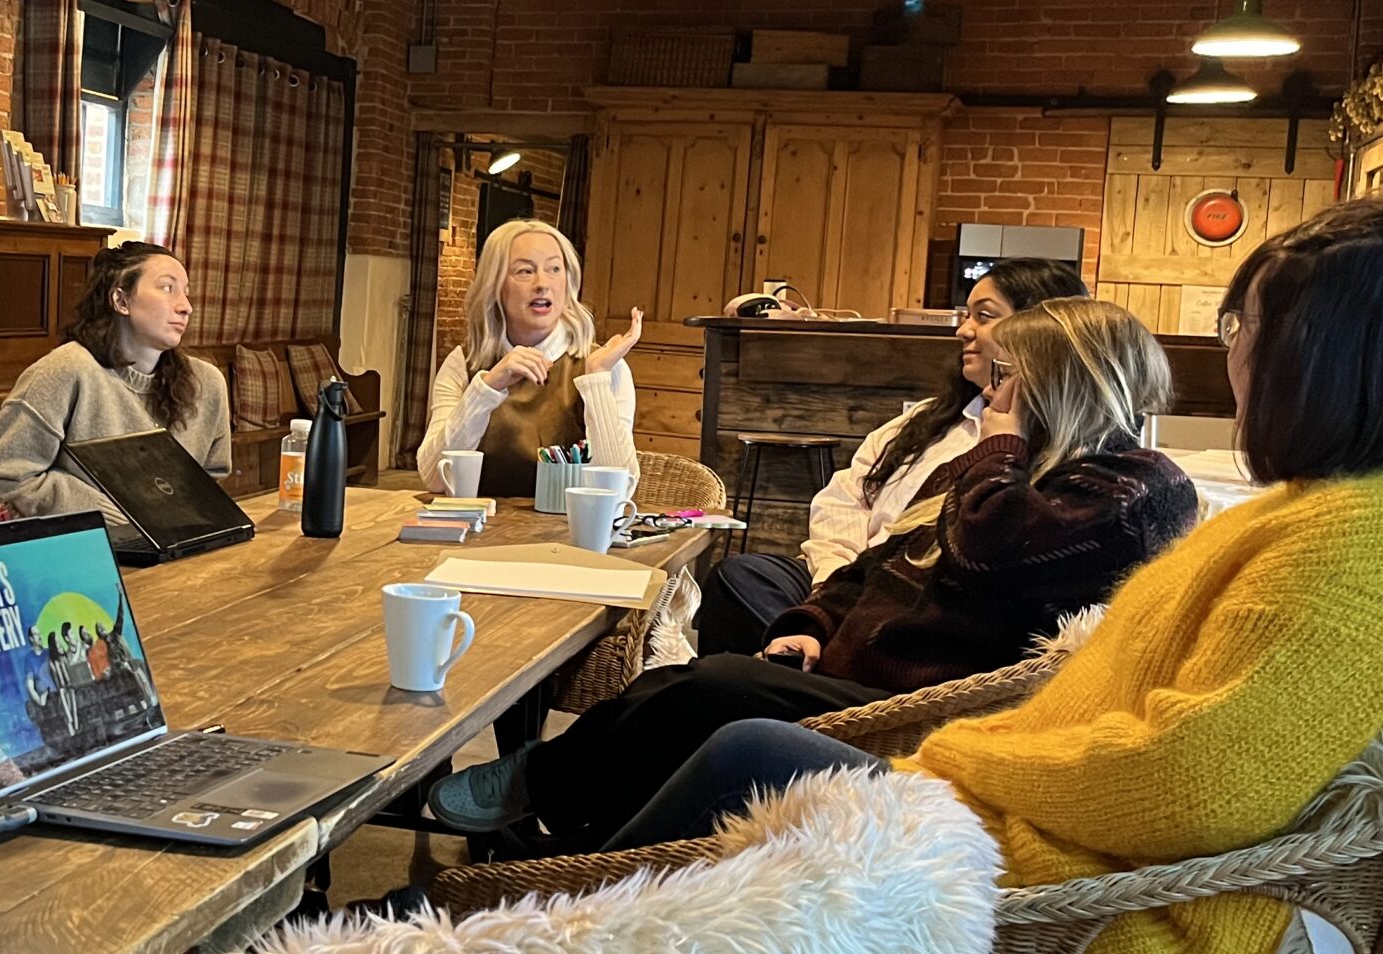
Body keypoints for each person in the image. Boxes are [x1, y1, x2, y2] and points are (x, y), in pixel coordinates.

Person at [556, 194, 1383, 954]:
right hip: (1106, 888)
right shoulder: (1364, 515)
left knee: (751, 757)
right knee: (743, 751)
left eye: (1245, 328)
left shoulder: (1375, 543)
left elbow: (1190, 782)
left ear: (1327, 355)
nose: (1234, 359)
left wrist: (958, 761)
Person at [429, 296, 1194, 847]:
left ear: (1055, 388)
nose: (988, 395)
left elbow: (988, 547)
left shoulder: (1129, 488)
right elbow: (875, 563)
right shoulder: (1026, 470)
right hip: (862, 664)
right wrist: (811, 623)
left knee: (710, 688)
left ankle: (548, 803)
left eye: (1006, 380)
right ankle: (562, 822)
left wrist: (998, 445)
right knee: (682, 688)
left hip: (916, 704)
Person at [700, 257, 1090, 655]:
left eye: (984, 316)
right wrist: (834, 583)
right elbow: (845, 499)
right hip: (846, 584)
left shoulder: (1056, 450)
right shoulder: (927, 420)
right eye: (967, 314)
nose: (963, 329)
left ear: (1038, 331)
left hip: (919, 607)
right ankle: (806, 660)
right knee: (740, 578)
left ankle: (808, 671)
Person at [0, 241, 231, 521]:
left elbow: (210, 482)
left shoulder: (207, 382)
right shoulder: (65, 370)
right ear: (121, 300)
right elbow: (3, 473)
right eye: (167, 288)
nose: (186, 307)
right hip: (83, 546)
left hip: (179, 547)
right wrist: (113, 518)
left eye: (186, 293)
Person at [417, 218, 644, 497]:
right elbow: (434, 478)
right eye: (525, 271)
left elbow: (621, 490)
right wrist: (487, 388)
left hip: (567, 536)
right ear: (495, 285)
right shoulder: (464, 363)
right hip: (476, 531)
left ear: (568, 282)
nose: (542, 284)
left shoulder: (605, 365)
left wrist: (596, 380)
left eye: (554, 269)